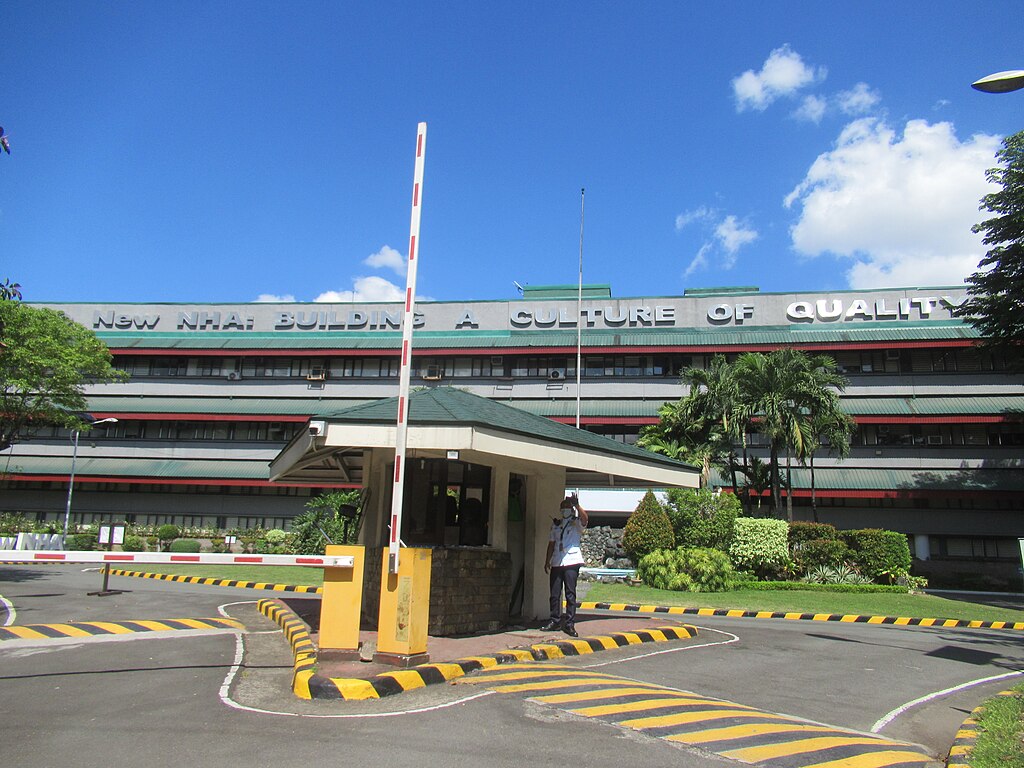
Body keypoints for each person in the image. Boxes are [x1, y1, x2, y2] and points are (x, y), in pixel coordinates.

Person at [541, 493, 588, 637]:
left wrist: (577, 505)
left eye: (567, 507)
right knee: (554, 594)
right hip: (557, 561)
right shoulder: (557, 525)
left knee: (570, 594)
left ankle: (569, 623)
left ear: (572, 509)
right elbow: (551, 544)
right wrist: (547, 560)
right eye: (562, 508)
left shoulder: (576, 523)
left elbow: (585, 519)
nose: (564, 510)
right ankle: (554, 620)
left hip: (571, 561)